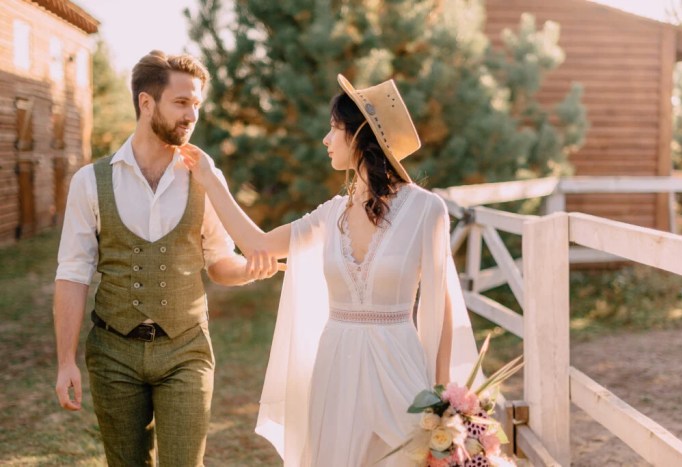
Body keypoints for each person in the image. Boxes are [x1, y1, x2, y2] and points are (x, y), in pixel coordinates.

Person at [180, 74, 479, 466]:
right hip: (336, 365)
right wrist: (210, 178)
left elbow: (441, 306)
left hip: (399, 366)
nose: (326, 139)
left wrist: (442, 396)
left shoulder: (427, 210)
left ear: (360, 136)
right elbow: (258, 243)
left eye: (334, 128)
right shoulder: (330, 214)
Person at [53, 50, 278, 467]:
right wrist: (66, 360)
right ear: (146, 103)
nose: (192, 114)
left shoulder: (205, 176)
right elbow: (72, 273)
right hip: (113, 352)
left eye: (197, 104)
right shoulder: (90, 181)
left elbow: (219, 263)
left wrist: (250, 271)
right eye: (181, 102)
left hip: (186, 350)